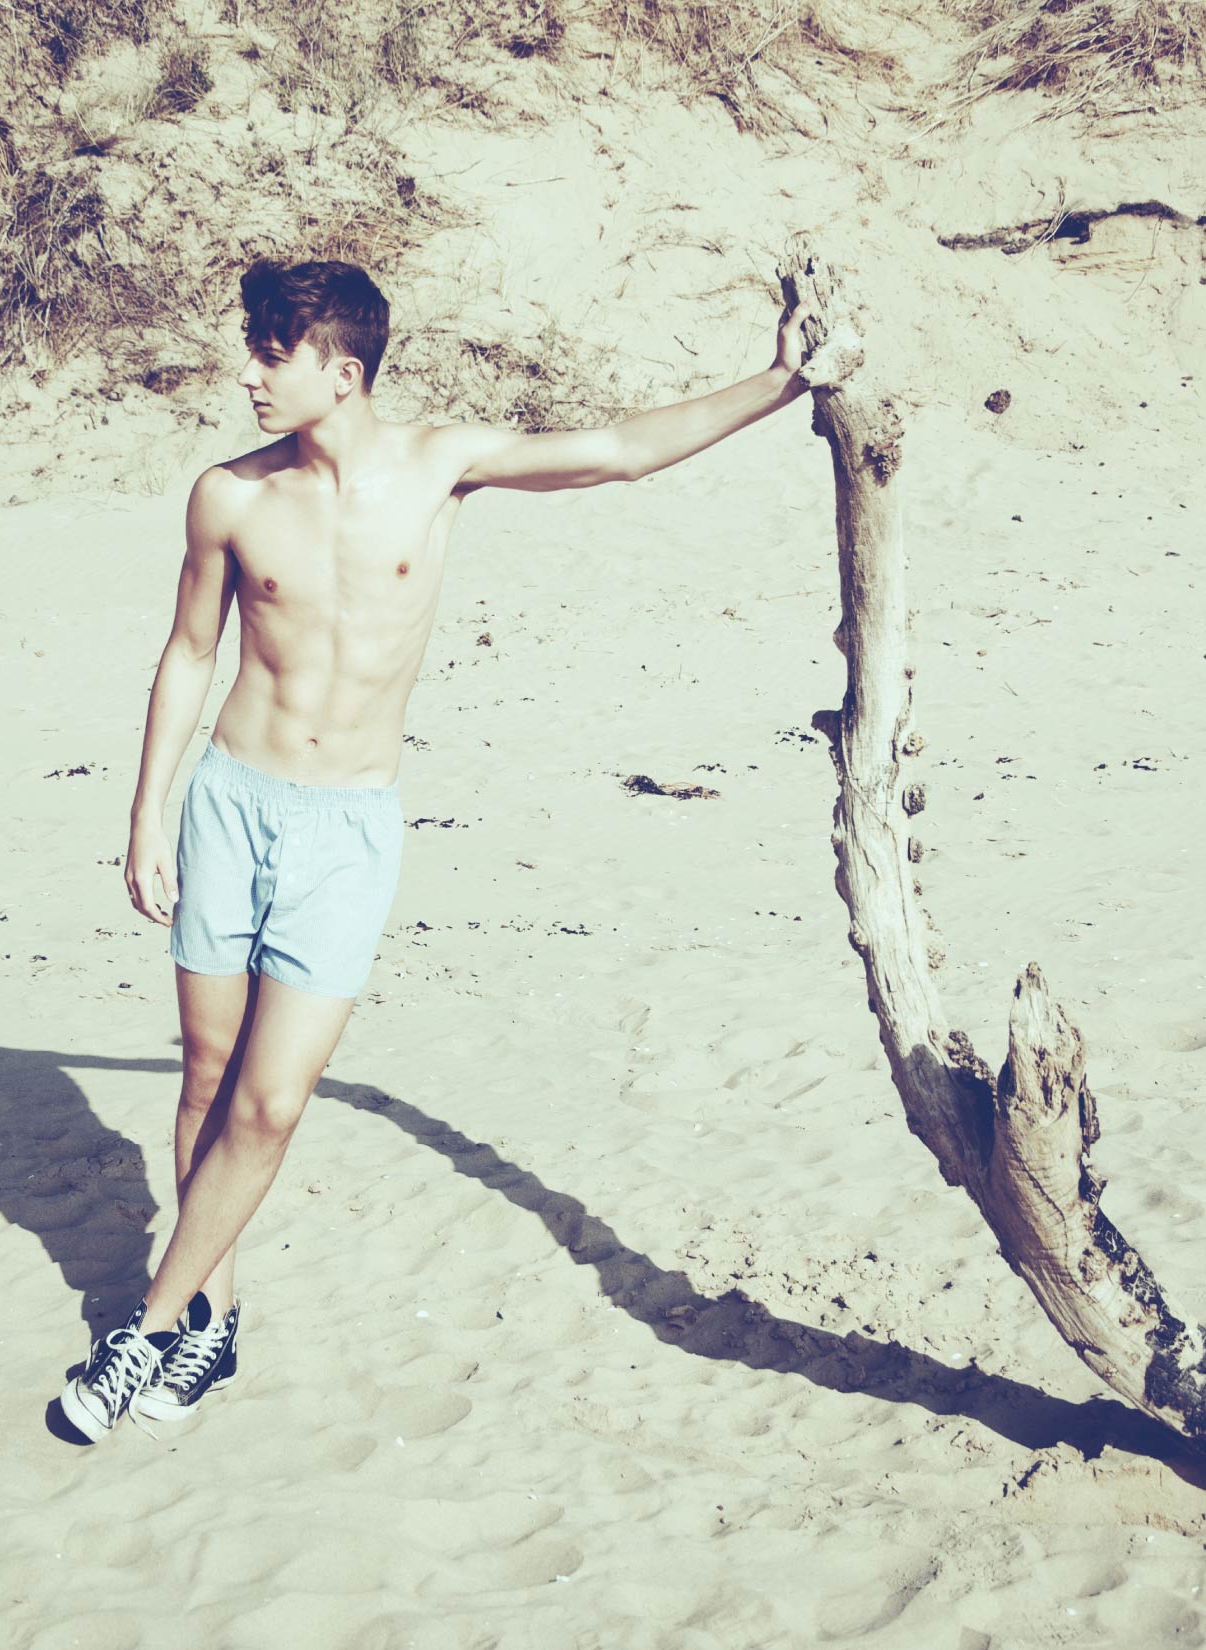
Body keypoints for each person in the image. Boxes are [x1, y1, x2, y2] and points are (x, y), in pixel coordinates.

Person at [59, 258, 815, 1442]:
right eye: (252, 350)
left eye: (272, 354)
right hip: (231, 804)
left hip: (347, 830)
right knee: (206, 1076)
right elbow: (190, 653)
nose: (248, 373)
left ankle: (146, 1329)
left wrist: (782, 381)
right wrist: (146, 815)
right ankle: (211, 1316)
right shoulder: (229, 497)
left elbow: (618, 450)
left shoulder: (440, 466)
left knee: (270, 1103)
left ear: (341, 372)